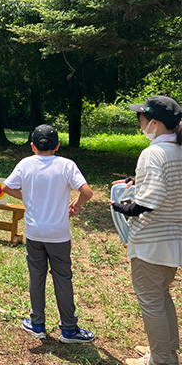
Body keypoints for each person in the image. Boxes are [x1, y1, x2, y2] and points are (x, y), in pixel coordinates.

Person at [2, 124, 95, 343]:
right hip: (59, 234)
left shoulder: (25, 164)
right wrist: (78, 205)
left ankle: (37, 324)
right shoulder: (66, 165)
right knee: (63, 277)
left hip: (35, 232)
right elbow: (87, 192)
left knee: (37, 276)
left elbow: (6, 187)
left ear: (32, 146)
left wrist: (26, 198)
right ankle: (69, 330)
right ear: (58, 146)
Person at [109, 96, 182, 365]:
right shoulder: (177, 149)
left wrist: (122, 208)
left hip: (151, 242)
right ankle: (166, 349)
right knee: (161, 296)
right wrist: (136, 180)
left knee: (151, 302)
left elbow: (149, 200)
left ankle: (162, 359)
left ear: (154, 123)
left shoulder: (152, 153)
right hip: (173, 240)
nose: (139, 122)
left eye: (140, 118)